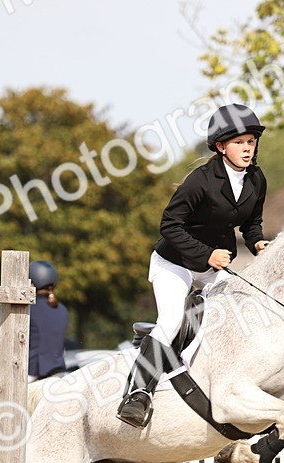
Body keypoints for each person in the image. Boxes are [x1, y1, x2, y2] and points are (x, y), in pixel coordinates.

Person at [116, 104, 270, 428]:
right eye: (239, 142)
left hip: (214, 268)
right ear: (220, 146)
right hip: (174, 263)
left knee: (230, 320)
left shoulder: (257, 179)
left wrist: (257, 242)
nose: (247, 148)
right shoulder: (200, 180)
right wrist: (206, 255)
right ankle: (137, 393)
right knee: (172, 320)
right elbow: (169, 225)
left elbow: (251, 222)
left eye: (251, 142)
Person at [27, 260, 68, 381]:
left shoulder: (30, 309)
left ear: (32, 283)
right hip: (58, 368)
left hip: (34, 370)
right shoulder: (62, 309)